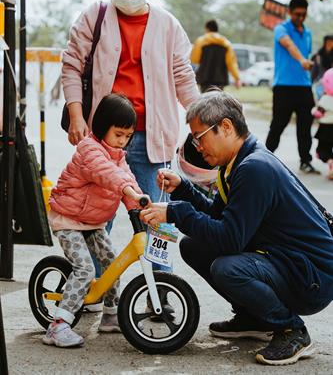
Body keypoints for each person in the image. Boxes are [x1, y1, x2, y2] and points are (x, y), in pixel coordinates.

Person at [140, 90, 333, 366]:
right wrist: (184, 189)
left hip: (311, 277)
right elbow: (219, 217)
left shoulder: (254, 168)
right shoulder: (236, 163)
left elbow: (229, 239)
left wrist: (174, 212)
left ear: (226, 127)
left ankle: (292, 330)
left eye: (199, 136)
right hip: (288, 262)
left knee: (227, 268)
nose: (197, 146)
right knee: (193, 246)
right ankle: (253, 317)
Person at [62, 0, 199, 285]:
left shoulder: (167, 24)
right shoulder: (95, 16)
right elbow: (72, 66)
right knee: (96, 215)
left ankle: (164, 290)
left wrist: (200, 121)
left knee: (157, 217)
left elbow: (183, 75)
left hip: (154, 138)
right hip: (104, 139)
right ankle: (95, 287)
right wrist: (77, 116)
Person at [44, 94, 147, 348]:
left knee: (114, 264)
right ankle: (58, 325)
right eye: (118, 134)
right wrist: (127, 189)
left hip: (92, 222)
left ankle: (111, 315)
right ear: (102, 128)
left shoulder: (118, 155)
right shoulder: (89, 149)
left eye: (127, 136)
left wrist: (140, 203)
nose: (123, 141)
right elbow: (107, 174)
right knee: (85, 269)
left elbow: (126, 177)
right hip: (68, 219)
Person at [265, 0, 319, 174]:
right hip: (284, 87)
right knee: (278, 125)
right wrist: (302, 60)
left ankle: (305, 161)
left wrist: (308, 62)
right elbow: (289, 45)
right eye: (297, 14)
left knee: (305, 127)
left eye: (304, 14)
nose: (301, 18)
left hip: (304, 87)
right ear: (290, 12)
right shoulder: (281, 29)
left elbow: (307, 52)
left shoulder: (308, 33)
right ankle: (264, 159)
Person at [191, 19, 241, 92]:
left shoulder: (200, 41)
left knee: (205, 100)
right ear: (217, 29)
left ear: (207, 29)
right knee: (218, 100)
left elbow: (195, 59)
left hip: (205, 77)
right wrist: (237, 78)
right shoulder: (226, 43)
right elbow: (231, 63)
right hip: (220, 78)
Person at [312, 68, 333, 180]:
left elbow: (318, 113)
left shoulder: (325, 99)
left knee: (322, 149)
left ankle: (330, 162)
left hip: (325, 129)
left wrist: (313, 111)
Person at [311, 34, 333, 99]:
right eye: (328, 42)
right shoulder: (319, 55)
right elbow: (314, 70)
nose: (330, 44)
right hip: (320, 81)